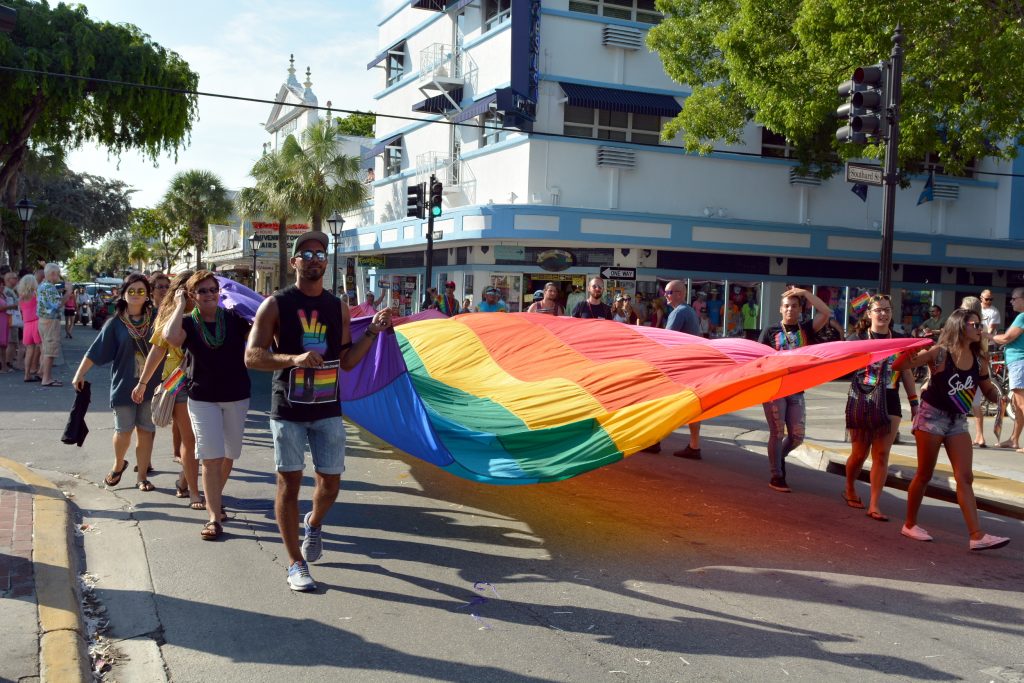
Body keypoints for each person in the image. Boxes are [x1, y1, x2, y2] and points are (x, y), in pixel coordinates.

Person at [246, 231, 394, 591]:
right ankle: (296, 563)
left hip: (328, 408)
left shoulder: (336, 306)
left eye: (320, 254)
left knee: (330, 484)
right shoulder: (276, 304)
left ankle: (313, 523)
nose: (315, 259)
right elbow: (252, 356)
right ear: (295, 262)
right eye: (307, 253)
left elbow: (346, 362)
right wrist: (293, 358)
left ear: (326, 263)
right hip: (288, 408)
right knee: (289, 484)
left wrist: (372, 332)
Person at [897, 308, 1010, 551]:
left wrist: (999, 398)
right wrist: (914, 349)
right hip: (931, 417)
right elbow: (900, 365)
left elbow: (986, 386)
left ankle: (977, 535)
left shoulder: (979, 359)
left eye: (980, 325)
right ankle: (909, 524)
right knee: (924, 474)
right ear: (960, 326)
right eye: (975, 324)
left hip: (958, 420)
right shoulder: (940, 354)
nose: (980, 329)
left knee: (965, 477)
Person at [164, 270, 252, 541]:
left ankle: (215, 496)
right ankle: (214, 516)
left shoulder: (235, 318)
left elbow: (262, 326)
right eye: (202, 291)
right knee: (210, 457)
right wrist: (179, 305)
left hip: (236, 395)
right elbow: (171, 337)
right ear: (193, 295)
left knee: (230, 453)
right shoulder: (189, 323)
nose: (209, 294)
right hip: (202, 398)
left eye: (212, 289)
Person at [71, 273, 162, 491]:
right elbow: (96, 350)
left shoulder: (158, 318)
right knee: (123, 430)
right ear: (123, 294)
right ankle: (119, 463)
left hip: (151, 385)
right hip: (124, 385)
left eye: (141, 291)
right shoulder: (115, 324)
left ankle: (142, 476)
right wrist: (79, 374)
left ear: (148, 294)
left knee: (146, 430)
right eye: (131, 291)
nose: (136, 295)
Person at [132, 271, 203, 510]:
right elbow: (157, 351)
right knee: (190, 438)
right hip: (177, 380)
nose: (198, 293)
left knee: (205, 441)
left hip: (209, 381)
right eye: (193, 288)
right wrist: (143, 383)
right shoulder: (170, 315)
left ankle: (185, 479)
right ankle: (194, 492)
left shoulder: (209, 311)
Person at [843, 295, 917, 521]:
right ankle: (849, 488)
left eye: (887, 310)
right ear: (869, 314)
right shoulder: (857, 339)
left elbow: (905, 371)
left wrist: (914, 402)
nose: (883, 314)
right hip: (862, 397)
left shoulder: (900, 340)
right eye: (878, 310)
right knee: (859, 453)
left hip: (890, 397)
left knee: (882, 453)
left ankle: (874, 504)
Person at [758, 287, 832, 492]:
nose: (790, 310)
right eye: (786, 306)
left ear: (800, 309)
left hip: (797, 389)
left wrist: (805, 293)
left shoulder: (806, 329)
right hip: (774, 389)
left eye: (794, 306)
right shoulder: (770, 331)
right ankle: (776, 475)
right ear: (780, 309)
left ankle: (778, 456)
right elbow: (757, 359)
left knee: (797, 436)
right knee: (777, 431)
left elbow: (826, 313)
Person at [644, 280, 702, 458]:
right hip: (691, 365)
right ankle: (694, 446)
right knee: (693, 407)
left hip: (681, 367)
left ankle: (654, 441)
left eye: (668, 292)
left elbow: (666, 341)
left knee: (662, 401)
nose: (665, 296)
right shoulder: (688, 311)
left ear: (679, 294)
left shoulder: (679, 312)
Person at [992, 287, 1024, 451]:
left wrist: (989, 336)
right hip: (1018, 362)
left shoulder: (1022, 317)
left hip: (1019, 362)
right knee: (1017, 404)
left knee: (1021, 403)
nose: (1011, 301)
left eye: (1014, 298)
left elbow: (1006, 338)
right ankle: (1014, 439)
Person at [36, 264, 66, 387]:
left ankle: (43, 374)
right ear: (53, 274)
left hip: (43, 320)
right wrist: (68, 293)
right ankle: (46, 378)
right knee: (50, 350)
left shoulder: (43, 286)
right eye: (57, 273)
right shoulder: (49, 287)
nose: (58, 276)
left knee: (46, 348)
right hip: (50, 321)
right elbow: (57, 305)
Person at [17, 274, 41, 383]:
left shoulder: (21, 297)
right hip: (36, 322)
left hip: (26, 325)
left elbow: (21, 311)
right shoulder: (36, 295)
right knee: (41, 348)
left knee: (29, 350)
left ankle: (26, 374)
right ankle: (38, 371)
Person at [3, 271, 20, 372]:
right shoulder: (7, 291)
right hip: (10, 319)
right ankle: (7, 363)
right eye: (14, 278)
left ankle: (9, 362)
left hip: (13, 318)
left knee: (13, 341)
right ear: (8, 280)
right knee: (11, 342)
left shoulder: (11, 290)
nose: (16, 280)